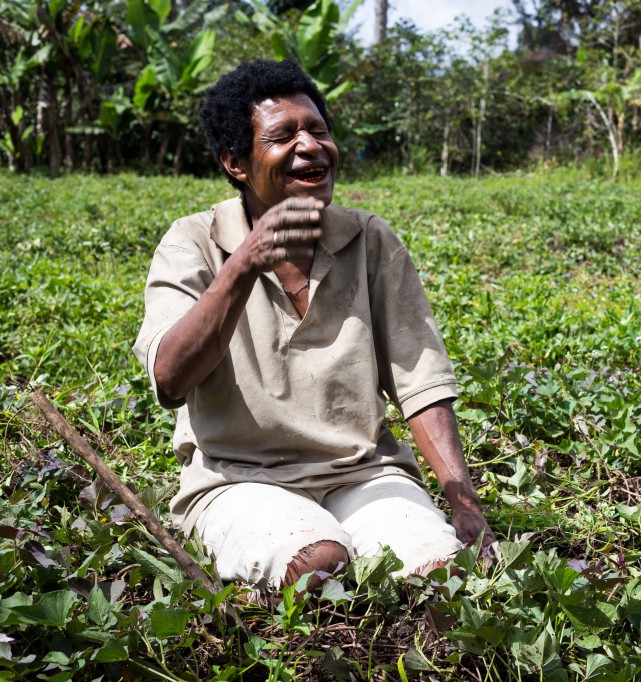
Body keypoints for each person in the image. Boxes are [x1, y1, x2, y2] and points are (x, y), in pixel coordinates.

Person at [133, 59, 494, 595]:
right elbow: (170, 378)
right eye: (284, 136)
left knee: (440, 575)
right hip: (238, 480)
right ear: (236, 162)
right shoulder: (193, 243)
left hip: (364, 475)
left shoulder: (369, 240)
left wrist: (462, 498)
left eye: (318, 130)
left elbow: (420, 382)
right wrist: (243, 264)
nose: (310, 146)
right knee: (319, 564)